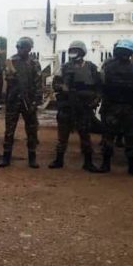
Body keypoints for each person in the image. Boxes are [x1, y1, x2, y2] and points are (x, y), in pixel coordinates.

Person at [48, 40, 101, 172]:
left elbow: (99, 87)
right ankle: (59, 160)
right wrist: (62, 87)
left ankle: (88, 162)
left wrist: (96, 99)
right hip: (67, 105)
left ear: (82, 52)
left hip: (84, 107)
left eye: (76, 51)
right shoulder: (64, 67)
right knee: (62, 136)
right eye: (71, 51)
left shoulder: (91, 67)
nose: (73, 53)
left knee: (85, 136)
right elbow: (55, 84)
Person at [98, 39, 133, 175]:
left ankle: (105, 165)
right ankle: (132, 167)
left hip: (113, 108)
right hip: (129, 108)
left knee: (109, 137)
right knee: (130, 138)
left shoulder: (107, 69)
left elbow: (101, 88)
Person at [0, 36, 43, 168]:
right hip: (13, 100)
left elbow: (38, 84)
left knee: (31, 130)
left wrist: (35, 102)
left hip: (29, 101)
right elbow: (7, 80)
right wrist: (12, 77)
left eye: (24, 48)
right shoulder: (11, 61)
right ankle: (6, 157)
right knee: (9, 131)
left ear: (29, 49)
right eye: (20, 48)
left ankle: (32, 158)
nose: (21, 50)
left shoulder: (34, 63)